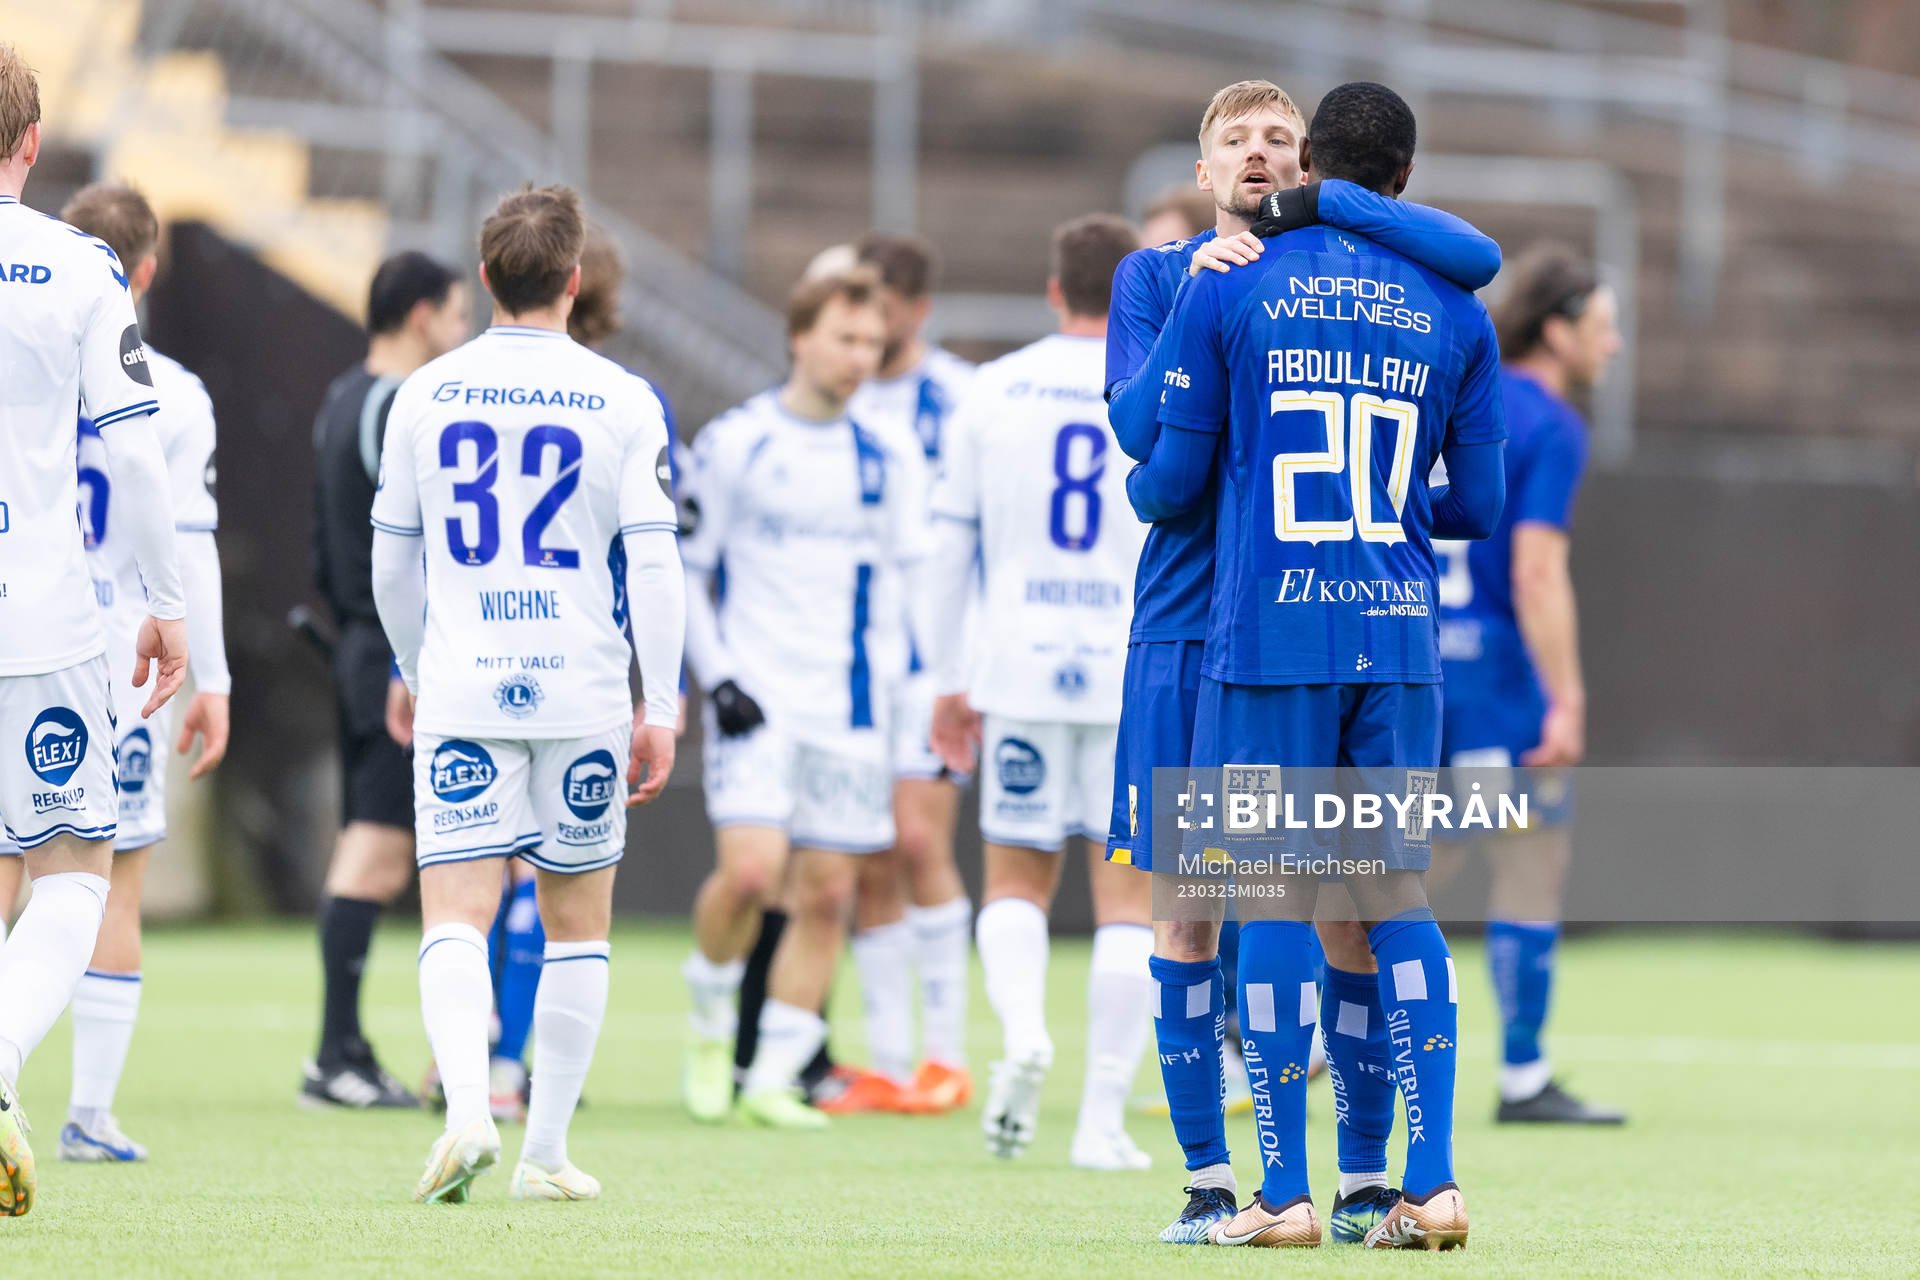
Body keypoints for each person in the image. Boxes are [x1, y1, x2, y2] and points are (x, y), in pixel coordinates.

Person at [1101, 78, 1503, 1244]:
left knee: (1273, 894)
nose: (1263, 155)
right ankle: (1370, 1179)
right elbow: (1478, 498)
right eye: (1240, 140)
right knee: (1344, 897)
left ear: (1311, 160)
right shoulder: (1445, 307)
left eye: (1282, 140)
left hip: (1263, 626)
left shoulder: (1241, 290)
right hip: (1345, 628)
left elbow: (1161, 474)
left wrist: (1168, 485)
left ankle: (1297, 1188)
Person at [371, 184, 683, 1202]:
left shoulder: (425, 391)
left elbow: (391, 563)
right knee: (577, 923)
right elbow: (657, 562)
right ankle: (544, 1148)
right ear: (576, 278)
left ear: (484, 274)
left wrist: (415, 666)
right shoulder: (625, 397)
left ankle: (467, 1111)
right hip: (583, 687)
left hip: (463, 679)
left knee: (455, 911)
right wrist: (663, 701)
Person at [0, 42, 190, 1216]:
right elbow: (132, 445)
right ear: (28, 146)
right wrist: (167, 604)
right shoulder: (77, 267)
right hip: (41, 617)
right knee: (77, 862)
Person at [923, 213, 1153, 1169]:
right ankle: (1101, 1121)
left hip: (1016, 664)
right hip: (1130, 671)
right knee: (1129, 901)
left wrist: (947, 678)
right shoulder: (1159, 382)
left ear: (1054, 290)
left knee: (1015, 878)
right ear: (1138, 290)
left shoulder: (990, 388)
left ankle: (1022, 1035)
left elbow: (949, 545)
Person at [679, 268, 926, 1130]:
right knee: (750, 875)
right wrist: (720, 678)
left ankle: (772, 1076)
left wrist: (907, 697)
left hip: (852, 708)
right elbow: (687, 570)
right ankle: (710, 1029)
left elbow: (908, 581)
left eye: (872, 342)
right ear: (799, 337)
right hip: (758, 699)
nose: (861, 357)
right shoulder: (736, 442)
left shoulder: (888, 453)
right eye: (845, 338)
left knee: (827, 894)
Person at [1433, 243, 1624, 1126]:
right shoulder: (1550, 423)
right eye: (1603, 326)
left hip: (1414, 664)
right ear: (1558, 330)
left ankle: (1300, 1031)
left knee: (1416, 862)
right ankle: (1522, 1075)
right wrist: (1569, 697)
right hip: (1494, 685)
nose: (1614, 345)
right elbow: (1539, 573)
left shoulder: (1452, 387)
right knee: (1529, 864)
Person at [306, 249, 469, 1108]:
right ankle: (336, 1055)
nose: (462, 332)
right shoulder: (395, 403)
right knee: (376, 848)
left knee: (376, 844)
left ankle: (343, 1050)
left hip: (359, 643)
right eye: (454, 314)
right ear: (419, 316)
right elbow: (401, 540)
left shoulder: (340, 396)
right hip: (388, 647)